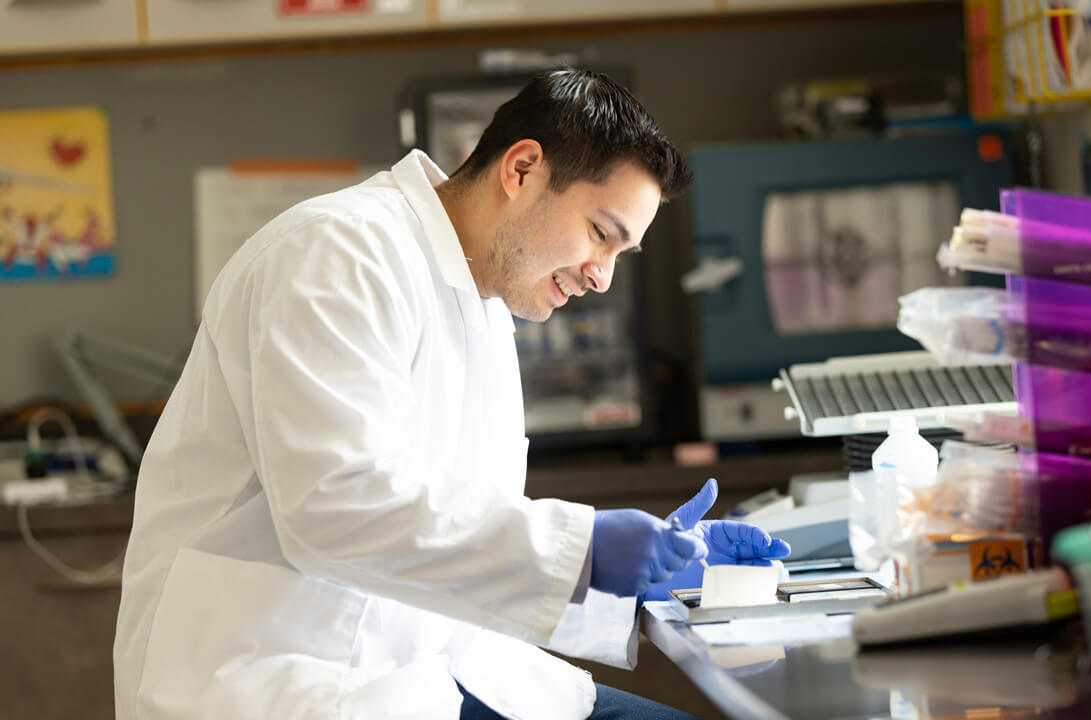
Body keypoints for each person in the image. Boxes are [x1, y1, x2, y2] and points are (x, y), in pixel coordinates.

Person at [113, 68, 790, 720]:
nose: (602, 277)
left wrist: (632, 581)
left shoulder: (485, 299)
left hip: (427, 675)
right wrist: (584, 550)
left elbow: (457, 539)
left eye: (620, 254)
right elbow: (335, 508)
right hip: (283, 685)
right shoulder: (337, 253)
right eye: (599, 234)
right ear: (522, 169)